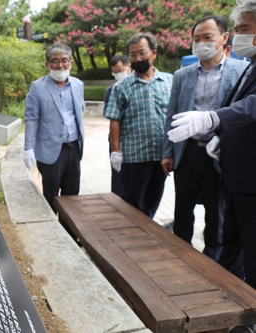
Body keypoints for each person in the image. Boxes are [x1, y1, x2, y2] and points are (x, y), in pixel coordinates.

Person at [167, 1, 256, 331]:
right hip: (212, 161)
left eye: (245, 29)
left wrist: (214, 120)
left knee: (237, 242)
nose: (239, 36)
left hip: (245, 176)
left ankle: (242, 315)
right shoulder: (249, 64)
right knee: (225, 238)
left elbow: (251, 106)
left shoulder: (238, 65)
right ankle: (229, 307)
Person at [162, 16, 247, 261]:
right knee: (183, 208)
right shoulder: (182, 75)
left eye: (207, 37)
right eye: (196, 39)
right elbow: (172, 114)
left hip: (219, 153)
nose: (201, 43)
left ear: (223, 38)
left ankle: (213, 262)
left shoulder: (241, 71)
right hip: (187, 152)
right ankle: (180, 255)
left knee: (216, 212)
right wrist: (167, 152)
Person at [104, 32, 173, 218]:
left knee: (153, 201)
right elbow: (115, 120)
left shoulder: (170, 81)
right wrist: (116, 152)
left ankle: (146, 239)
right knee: (131, 204)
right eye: (133, 55)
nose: (138, 58)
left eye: (142, 52)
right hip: (135, 157)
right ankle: (129, 241)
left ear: (154, 53)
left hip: (162, 156)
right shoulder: (121, 87)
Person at [23, 43, 85, 212]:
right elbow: (32, 119)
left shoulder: (78, 85)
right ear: (47, 64)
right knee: (51, 195)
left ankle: (70, 234)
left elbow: (80, 111)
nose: (60, 65)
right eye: (55, 61)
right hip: (50, 151)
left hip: (73, 148)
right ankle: (52, 231)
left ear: (70, 62)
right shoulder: (38, 87)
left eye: (64, 60)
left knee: (72, 197)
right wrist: (28, 148)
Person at [104, 55, 132, 196]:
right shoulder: (111, 90)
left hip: (134, 140)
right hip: (117, 139)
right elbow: (111, 116)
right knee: (117, 175)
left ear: (129, 67)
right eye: (115, 72)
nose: (118, 74)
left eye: (121, 70)